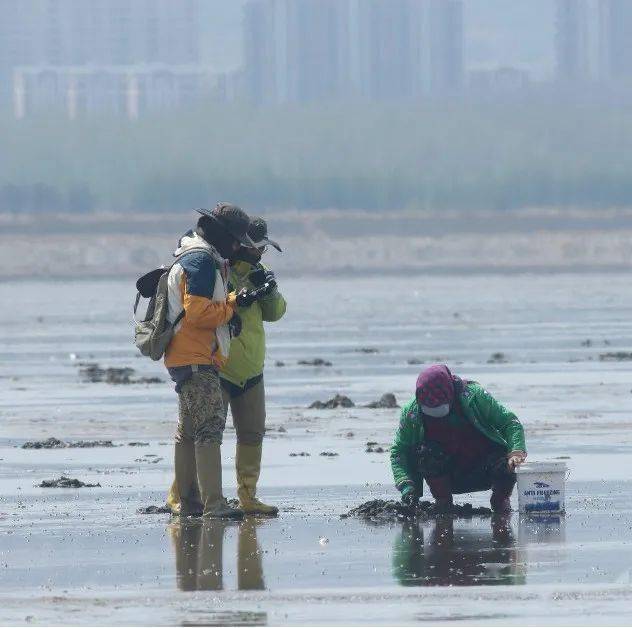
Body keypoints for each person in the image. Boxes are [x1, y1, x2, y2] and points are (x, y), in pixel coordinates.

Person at [167, 216, 286, 516]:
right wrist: (236, 299)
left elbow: (276, 312)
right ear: (241, 244)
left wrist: (268, 290)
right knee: (202, 432)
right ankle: (183, 495)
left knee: (252, 433)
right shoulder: (219, 269)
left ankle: (248, 496)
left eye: (264, 249)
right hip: (217, 367)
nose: (260, 254)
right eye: (257, 248)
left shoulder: (259, 271)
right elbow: (201, 310)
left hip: (251, 370)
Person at [390, 364, 527, 514]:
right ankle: (443, 503)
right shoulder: (411, 413)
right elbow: (399, 451)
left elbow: (510, 423)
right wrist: (407, 486)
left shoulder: (475, 396)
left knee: (507, 464)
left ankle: (500, 501)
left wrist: (516, 452)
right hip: (446, 474)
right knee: (425, 453)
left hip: (485, 467)